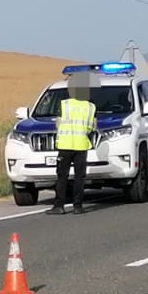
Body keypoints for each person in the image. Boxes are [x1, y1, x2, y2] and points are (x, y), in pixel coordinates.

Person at [50, 77, 98, 215]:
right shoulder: (90, 107)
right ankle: (78, 206)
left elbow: (58, 124)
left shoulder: (63, 104)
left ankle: (59, 206)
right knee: (79, 177)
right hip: (82, 146)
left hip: (65, 145)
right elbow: (92, 127)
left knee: (62, 176)